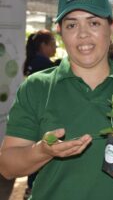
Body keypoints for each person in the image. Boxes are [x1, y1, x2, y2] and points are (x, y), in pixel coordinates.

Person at [0, 0, 113, 200]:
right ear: (60, 31)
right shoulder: (37, 87)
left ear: (111, 28)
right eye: (72, 25)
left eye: (93, 23)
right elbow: (6, 166)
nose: (83, 34)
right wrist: (42, 151)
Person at [23, 29, 60, 199]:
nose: (56, 46)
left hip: (36, 116)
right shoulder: (43, 65)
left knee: (37, 151)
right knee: (42, 152)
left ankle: (31, 187)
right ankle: (33, 188)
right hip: (42, 117)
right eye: (52, 43)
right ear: (43, 45)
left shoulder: (36, 62)